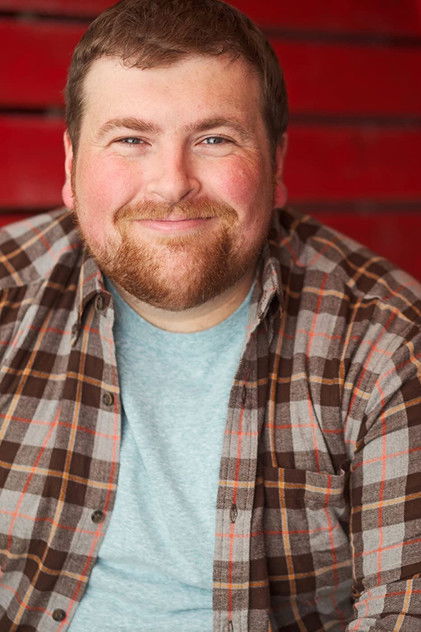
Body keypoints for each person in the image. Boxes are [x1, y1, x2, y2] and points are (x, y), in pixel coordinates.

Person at [0, 0, 420, 630]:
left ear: (276, 164)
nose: (172, 183)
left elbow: (404, 610)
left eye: (214, 139)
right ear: (70, 165)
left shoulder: (389, 344)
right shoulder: (9, 290)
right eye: (131, 139)